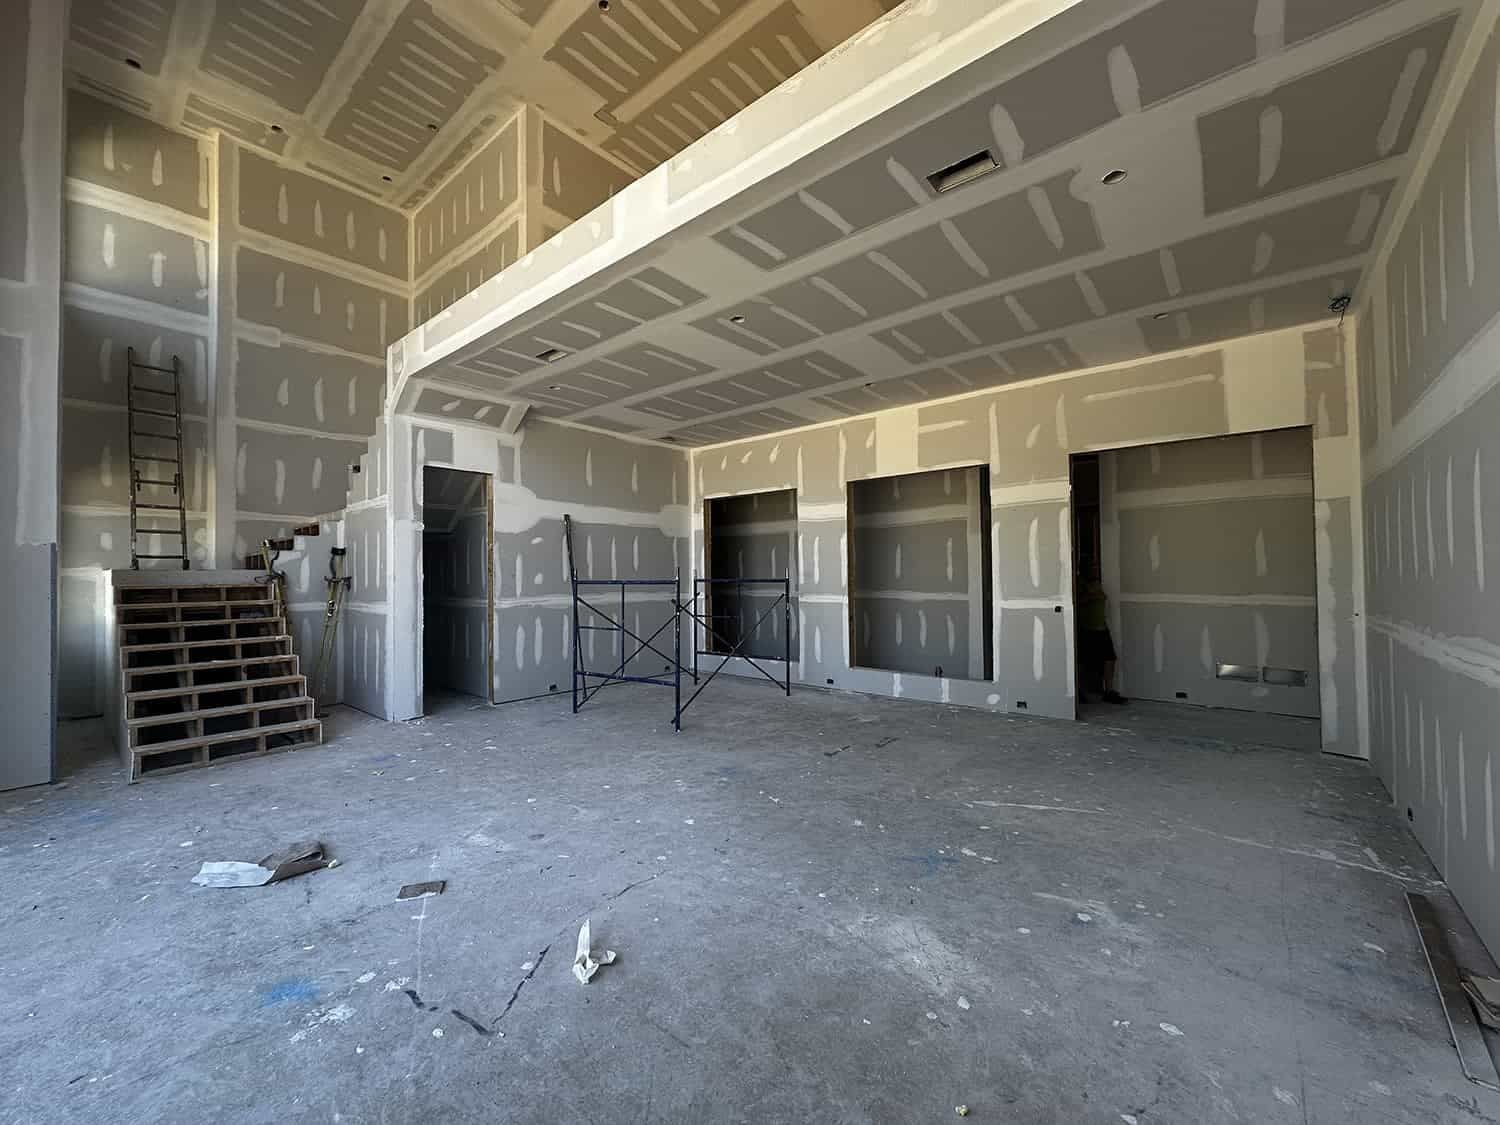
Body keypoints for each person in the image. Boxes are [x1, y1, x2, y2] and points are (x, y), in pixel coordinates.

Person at [1079, 578, 1126, 704]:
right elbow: (1079, 602)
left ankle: (1109, 691)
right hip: (1087, 631)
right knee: (1082, 662)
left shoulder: (1099, 593)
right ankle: (1078, 691)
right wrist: (1089, 596)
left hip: (1102, 631)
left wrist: (1093, 595)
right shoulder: (1081, 592)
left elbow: (1100, 596)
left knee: (1109, 659)